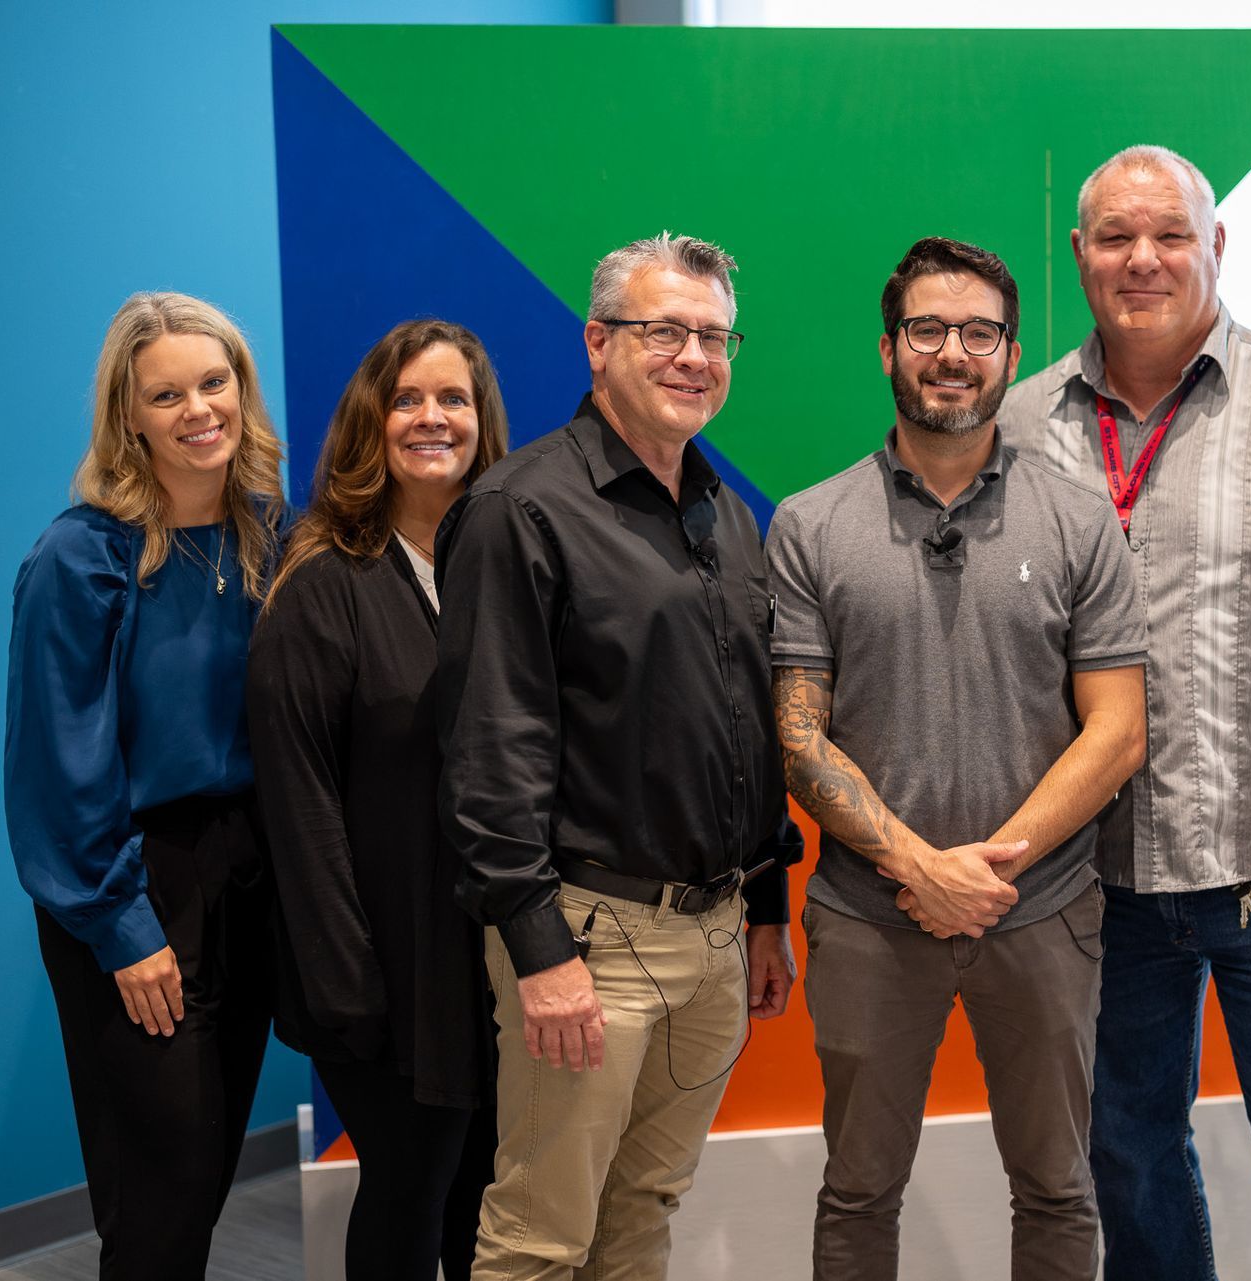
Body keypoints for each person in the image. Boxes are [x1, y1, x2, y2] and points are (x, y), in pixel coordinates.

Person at [997, 144, 1251, 1278]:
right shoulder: (1021, 424)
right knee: (1127, 1153)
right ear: (1078, 254)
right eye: (1116, 237)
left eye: (1170, 234)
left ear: (1214, 245)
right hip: (1095, 880)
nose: (1144, 259)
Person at [769, 236, 1148, 1280]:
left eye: (979, 333)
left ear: (1011, 355)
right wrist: (919, 867)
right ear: (887, 348)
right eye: (927, 330)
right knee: (858, 1192)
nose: (951, 353)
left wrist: (988, 870)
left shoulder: (1080, 523)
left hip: (1043, 911)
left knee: (1059, 1189)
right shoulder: (810, 524)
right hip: (869, 917)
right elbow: (798, 735)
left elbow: (1118, 729)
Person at [434, 232, 802, 1281]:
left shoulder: (725, 516)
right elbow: (489, 750)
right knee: (540, 1237)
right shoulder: (519, 509)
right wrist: (541, 951)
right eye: (665, 331)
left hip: (716, 936)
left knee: (644, 1210)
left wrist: (765, 909)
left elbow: (744, 724)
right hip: (588, 940)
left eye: (715, 338)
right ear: (598, 343)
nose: (695, 357)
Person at [4, 291, 286, 1279]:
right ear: (128, 415)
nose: (198, 409)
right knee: (160, 1192)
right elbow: (58, 766)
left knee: (203, 1175)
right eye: (167, 395)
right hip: (134, 880)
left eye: (215, 382)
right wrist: (122, 927)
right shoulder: (79, 559)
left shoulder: (271, 535)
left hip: (248, 869)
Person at [247, 319, 508, 1279]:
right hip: (379, 974)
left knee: (484, 1196)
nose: (431, 417)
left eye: (453, 399)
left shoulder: (503, 567)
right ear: (372, 420)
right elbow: (299, 800)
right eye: (407, 399)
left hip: (492, 960)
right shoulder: (322, 581)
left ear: (483, 422)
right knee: (409, 1191)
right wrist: (347, 982)